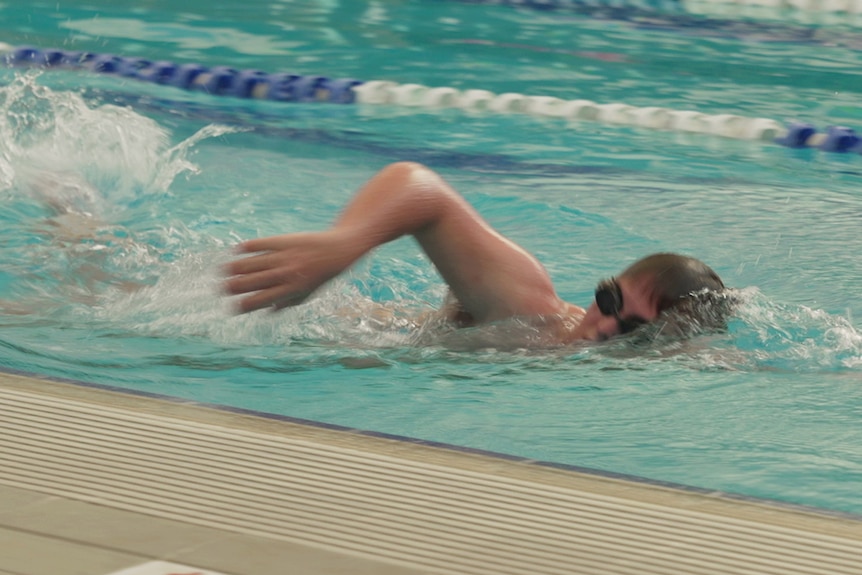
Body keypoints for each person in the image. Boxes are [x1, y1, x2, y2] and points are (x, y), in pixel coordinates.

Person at [223, 162, 726, 343]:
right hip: (279, 313)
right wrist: (343, 245)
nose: (607, 324)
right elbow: (421, 188)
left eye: (634, 331)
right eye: (611, 301)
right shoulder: (530, 309)